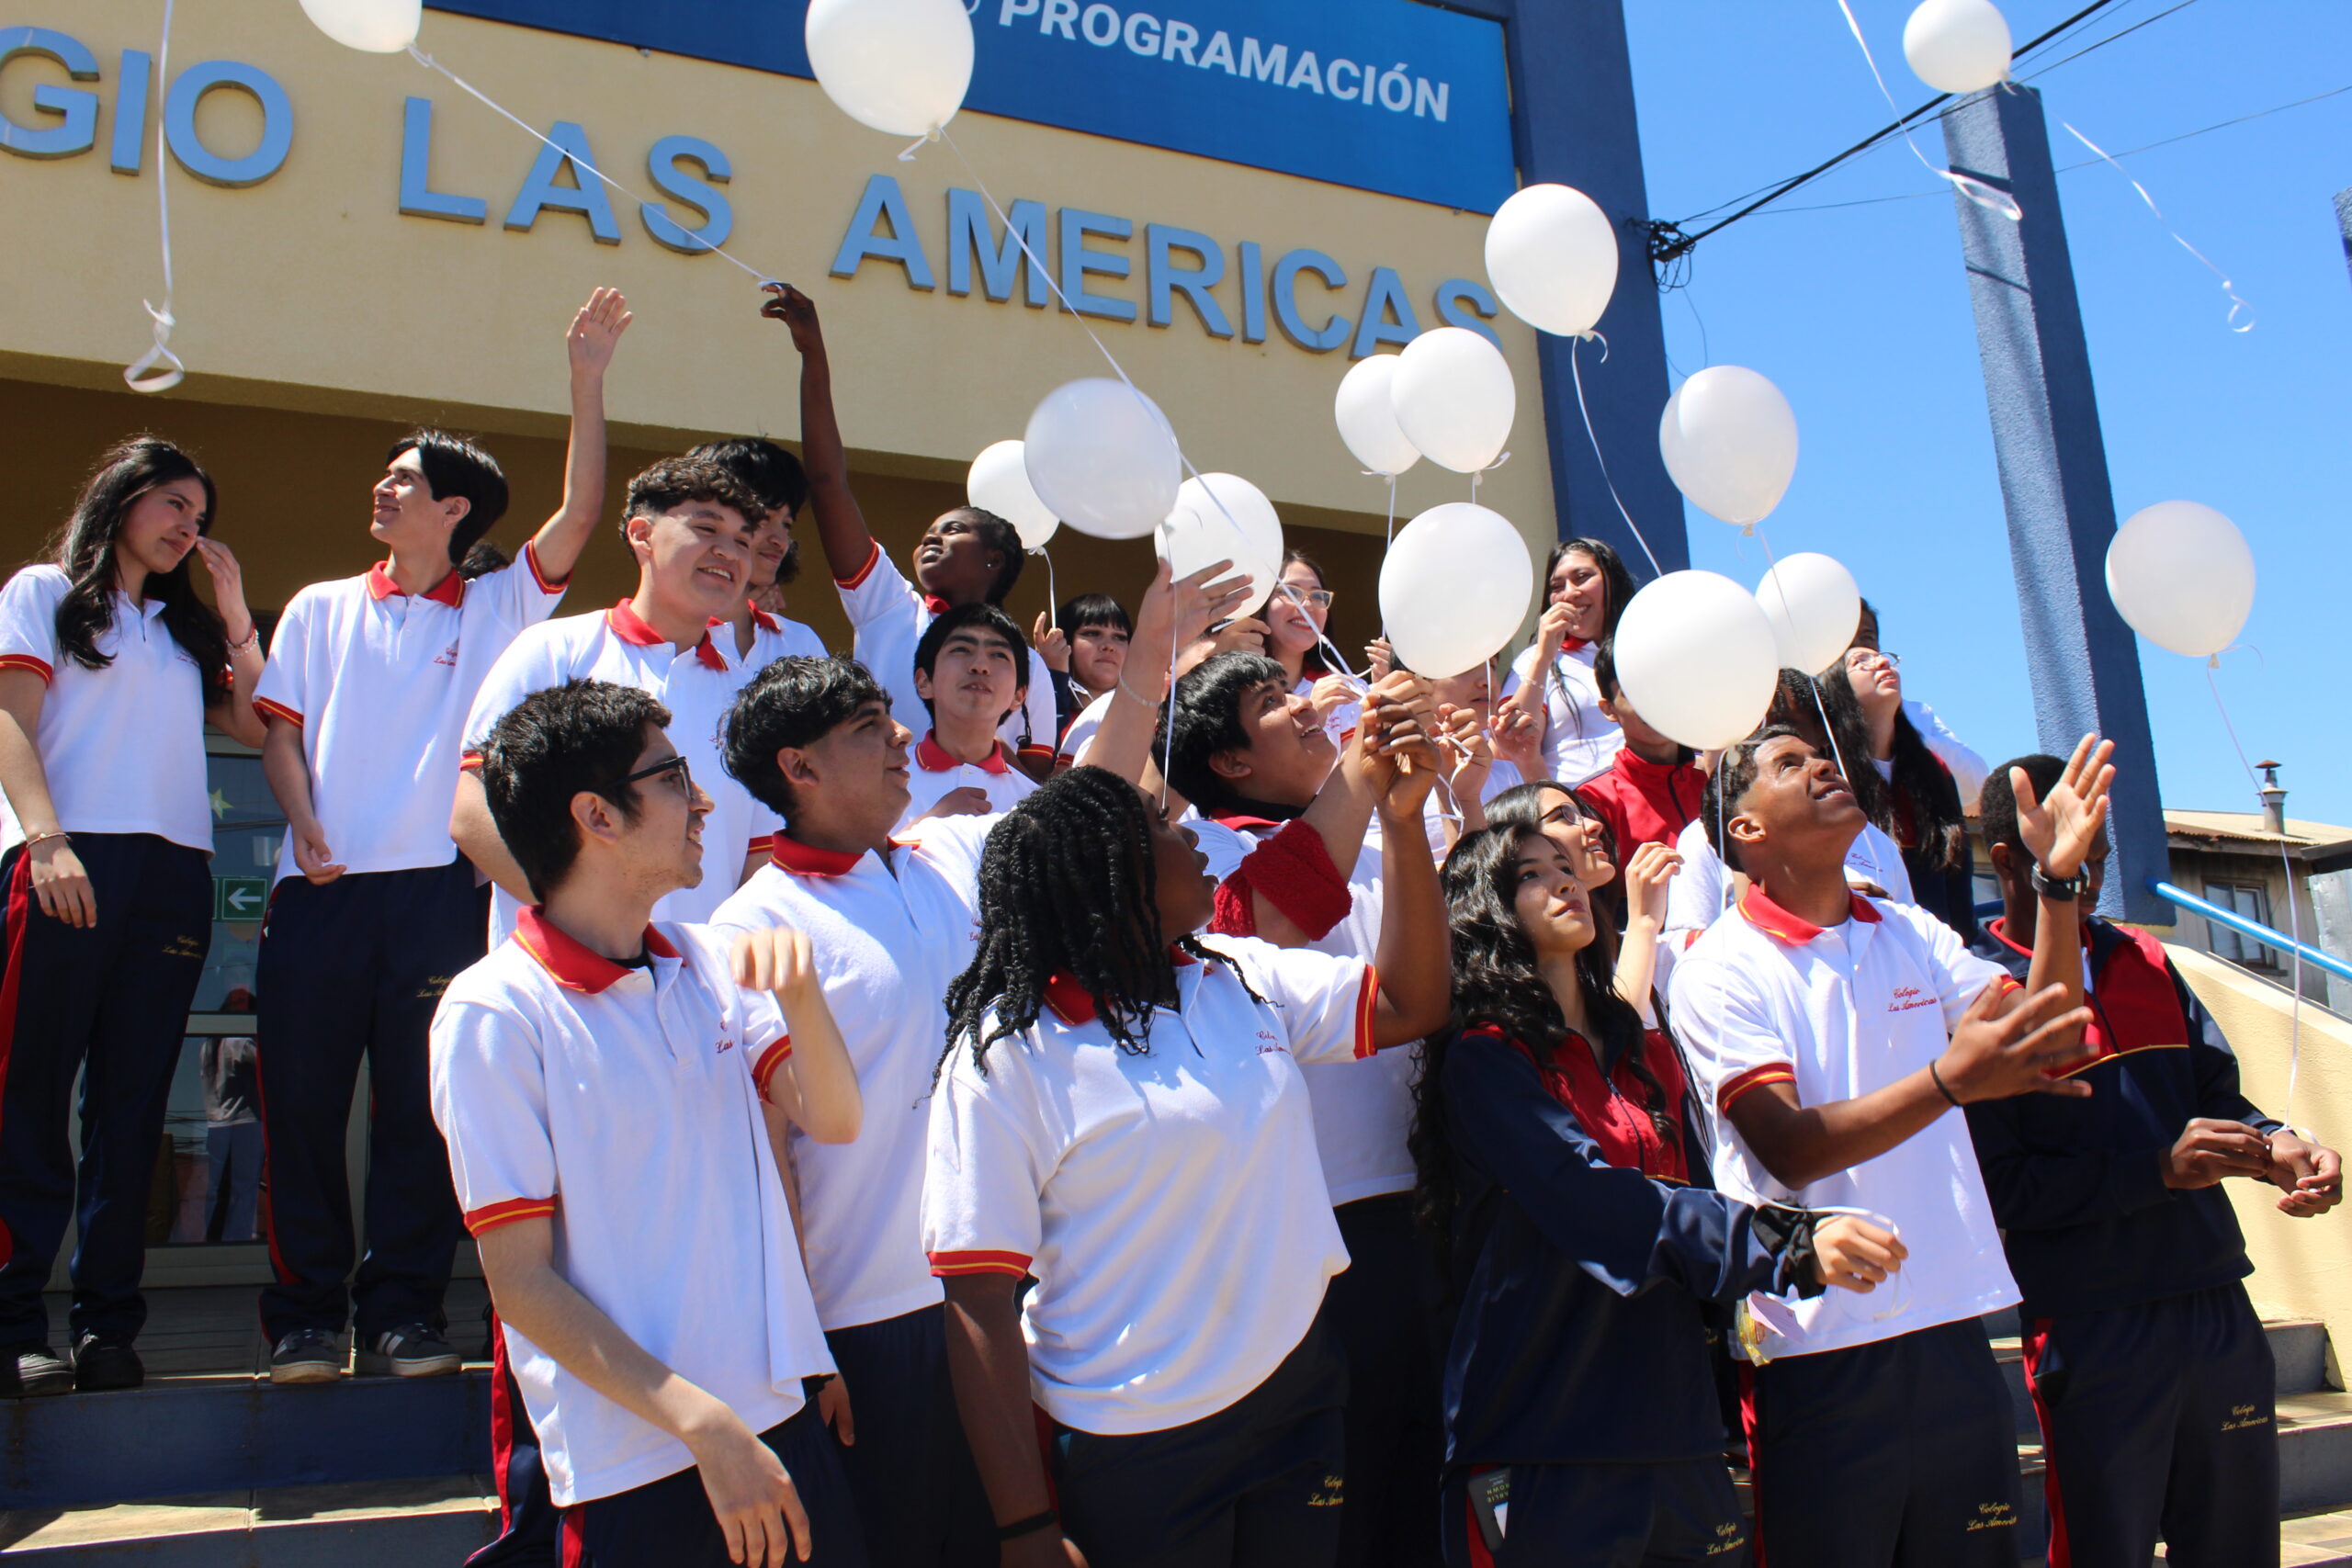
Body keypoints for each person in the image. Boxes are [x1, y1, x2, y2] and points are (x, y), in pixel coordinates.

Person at [710, 559, 1235, 1568]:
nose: (899, 739)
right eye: (869, 729)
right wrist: (800, 1348)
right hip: (871, 1322)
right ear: (797, 768)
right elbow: (768, 1155)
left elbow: (1088, 801)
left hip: (1010, 1288)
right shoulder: (752, 924)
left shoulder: (950, 856)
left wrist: (1144, 671)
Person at [922, 707, 1453, 1568]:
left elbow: (1409, 1002)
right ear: (1108, 872)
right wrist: (1024, 1528)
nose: (1193, 836)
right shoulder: (1006, 1058)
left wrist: (1402, 826)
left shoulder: (1238, 977)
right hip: (1135, 1441)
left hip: (1298, 1394)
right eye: (1164, 827)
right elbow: (978, 1300)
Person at [252, 288, 628, 1386]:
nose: (383, 487)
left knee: (424, 1113)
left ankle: (403, 1314)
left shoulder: (499, 604)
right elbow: (282, 733)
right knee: (303, 1111)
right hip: (319, 891)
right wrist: (304, 826)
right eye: (386, 476)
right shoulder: (319, 604)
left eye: (405, 479)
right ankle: (302, 1321)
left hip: (438, 895)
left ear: (454, 508)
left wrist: (587, 380)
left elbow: (582, 513)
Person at [432, 678, 865, 1568]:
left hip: (776, 1426)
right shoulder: (494, 1012)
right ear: (596, 814)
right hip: (638, 1466)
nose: (704, 801)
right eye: (672, 779)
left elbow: (832, 1117)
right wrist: (698, 1422)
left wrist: (802, 996)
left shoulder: (710, 961)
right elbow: (521, 1284)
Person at [1667, 728, 2114, 1567]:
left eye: (1821, 755)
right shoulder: (1717, 968)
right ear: (1746, 829)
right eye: (1789, 764)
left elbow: (2052, 1037)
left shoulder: (1907, 927)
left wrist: (2056, 883)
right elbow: (1790, 1148)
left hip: (1949, 1321)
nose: (1823, 766)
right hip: (1817, 1344)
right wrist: (1948, 1080)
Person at [1412, 823, 1902, 1568]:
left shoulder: (1639, 1053)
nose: (1566, 881)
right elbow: (1588, 1198)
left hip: (1678, 1431)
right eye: (1532, 874)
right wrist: (1786, 1243)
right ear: (1488, 907)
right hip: (1543, 1438)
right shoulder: (1487, 1057)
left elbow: (1687, 1192)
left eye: (1567, 866)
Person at [1968, 755, 2342, 1568]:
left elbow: (2219, 1097)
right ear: (2007, 860)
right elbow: (2004, 1190)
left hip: (2214, 1301)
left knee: (2239, 1545)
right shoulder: (1973, 991)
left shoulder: (2146, 957)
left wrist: (2277, 1144)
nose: (2091, 878)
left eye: (2099, 856)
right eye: (2072, 858)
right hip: (2091, 1322)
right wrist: (2159, 1171)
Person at [1165, 652, 1450, 1568]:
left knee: (1426, 1489)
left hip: (1424, 1198)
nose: (1305, 706)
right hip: (1320, 1216)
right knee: (1344, 1506)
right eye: (1270, 703)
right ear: (1230, 763)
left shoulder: (1382, 827)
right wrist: (1364, 763)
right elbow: (1255, 929)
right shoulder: (1201, 850)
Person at [0, 436, 266, 1396]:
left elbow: (258, 723)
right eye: (174, 504)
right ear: (122, 497)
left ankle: (108, 1326)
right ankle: (13, 1323)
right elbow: (9, 719)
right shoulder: (45, 593)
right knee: (29, 1095)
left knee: (131, 1106)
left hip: (172, 874)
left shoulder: (181, 631)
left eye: (200, 516)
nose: (188, 526)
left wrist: (235, 614)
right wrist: (45, 839)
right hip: (67, 859)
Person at [454, 456, 780, 942]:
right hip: (556, 971)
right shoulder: (554, 650)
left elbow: (759, 855)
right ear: (642, 534)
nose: (728, 553)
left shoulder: (750, 694)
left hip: (695, 977)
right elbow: (471, 810)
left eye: (743, 541)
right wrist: (585, 926)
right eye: (707, 529)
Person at [762, 285, 1057, 774]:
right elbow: (829, 484)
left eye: (953, 530)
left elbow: (1037, 782)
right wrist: (813, 356)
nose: (930, 539)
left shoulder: (1026, 663)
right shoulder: (889, 607)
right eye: (927, 534)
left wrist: (979, 758)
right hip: (881, 818)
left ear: (994, 559)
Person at [1662, 670, 1914, 957]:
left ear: (1822, 734)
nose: (1765, 738)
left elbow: (1918, 947)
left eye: (1783, 727)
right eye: (1751, 727)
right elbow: (1680, 952)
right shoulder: (1704, 837)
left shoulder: (1875, 842)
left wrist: (1880, 918)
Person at [1829, 643, 1979, 940]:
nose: (1883, 663)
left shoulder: (1933, 770)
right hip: (1863, 943)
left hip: (1936, 947)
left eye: (1884, 657)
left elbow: (1957, 873)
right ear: (1835, 688)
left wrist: (1965, 944)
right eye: (1860, 661)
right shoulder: (1829, 775)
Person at [1498, 539, 1636, 785]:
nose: (1570, 594)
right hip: (1579, 803)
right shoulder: (1536, 660)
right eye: (1557, 586)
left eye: (1582, 577)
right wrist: (1543, 656)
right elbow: (1511, 742)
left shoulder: (1644, 647)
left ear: (1612, 580)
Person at [897, 604, 1039, 831]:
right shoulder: (878, 781)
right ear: (924, 682)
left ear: (1018, 696)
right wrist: (930, 824)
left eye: (999, 655)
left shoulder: (1035, 806)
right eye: (961, 649)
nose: (980, 666)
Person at [689, 436, 829, 669]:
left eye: (786, 524)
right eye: (763, 518)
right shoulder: (669, 637)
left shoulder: (800, 643)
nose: (779, 540)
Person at [1577, 637, 1705, 874]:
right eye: (1634, 693)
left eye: (1663, 687)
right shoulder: (1594, 799)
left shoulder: (1713, 784)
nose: (1652, 703)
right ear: (1608, 709)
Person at [1851, 601, 1988, 813]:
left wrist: (1901, 728)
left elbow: (1976, 784)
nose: (1860, 649)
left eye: (1867, 638)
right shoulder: (1812, 719)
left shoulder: (1918, 715)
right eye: (1847, 640)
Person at [1267, 550, 1358, 744]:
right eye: (1291, 592)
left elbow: (1356, 763)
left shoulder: (1343, 688)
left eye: (1317, 596)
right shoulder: (1237, 689)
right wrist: (1312, 716)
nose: (1307, 605)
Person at [201, 987, 260, 1244]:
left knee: (217, 1188)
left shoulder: (207, 1045)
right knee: (244, 1187)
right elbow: (268, 1065)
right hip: (244, 1122)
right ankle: (237, 1241)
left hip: (215, 1124)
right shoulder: (239, 1042)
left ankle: (213, 1238)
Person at [1032, 592, 1130, 744]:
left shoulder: (1148, 721)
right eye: (1093, 633)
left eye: (1119, 637)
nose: (1109, 646)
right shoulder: (1033, 715)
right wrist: (1052, 675)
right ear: (1063, 642)